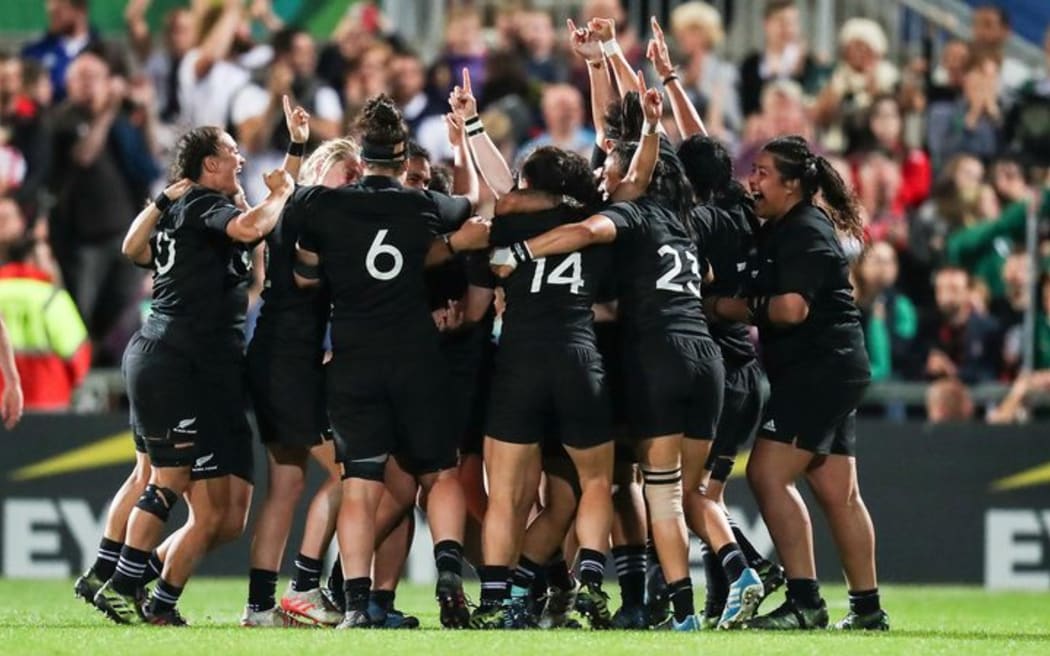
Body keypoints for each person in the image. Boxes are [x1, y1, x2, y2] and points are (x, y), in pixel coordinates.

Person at [489, 71, 763, 630]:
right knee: (689, 493)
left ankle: (701, 596)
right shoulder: (684, 222)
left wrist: (520, 251)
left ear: (638, 178)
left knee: (655, 494)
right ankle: (717, 580)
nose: (605, 166)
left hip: (654, 354)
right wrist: (626, 87)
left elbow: (587, 231)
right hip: (705, 354)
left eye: (613, 163)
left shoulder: (628, 214)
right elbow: (705, 274)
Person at [91, 111, 298, 624]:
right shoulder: (203, 204)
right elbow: (252, 224)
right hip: (176, 358)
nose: (241, 158)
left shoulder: (195, 213)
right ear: (210, 163)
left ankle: (130, 579)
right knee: (165, 477)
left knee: (220, 510)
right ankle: (118, 581)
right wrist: (280, 195)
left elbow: (142, 247)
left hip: (203, 363)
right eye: (232, 152)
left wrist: (291, 153)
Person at [293, 94, 488, 629]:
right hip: (416, 357)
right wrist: (463, 146)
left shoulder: (323, 206)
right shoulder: (419, 204)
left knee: (360, 485)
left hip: (354, 358)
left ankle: (355, 605)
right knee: (439, 472)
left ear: (361, 153)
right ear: (404, 162)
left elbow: (305, 276)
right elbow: (469, 202)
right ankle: (449, 569)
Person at [704, 135, 889, 631]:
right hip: (833, 366)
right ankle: (867, 610)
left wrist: (723, 307)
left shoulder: (804, 228)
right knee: (838, 492)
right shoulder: (785, 223)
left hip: (819, 368)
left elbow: (791, 308)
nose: (753, 180)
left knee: (767, 474)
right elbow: (709, 163)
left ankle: (806, 601)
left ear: (792, 185)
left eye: (763, 172)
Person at [241, 137, 360, 628]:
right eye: (344, 170)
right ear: (319, 171)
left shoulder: (292, 209)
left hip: (277, 354)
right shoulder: (309, 214)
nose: (352, 179)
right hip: (289, 360)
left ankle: (258, 606)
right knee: (348, 473)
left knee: (286, 485)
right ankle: (304, 587)